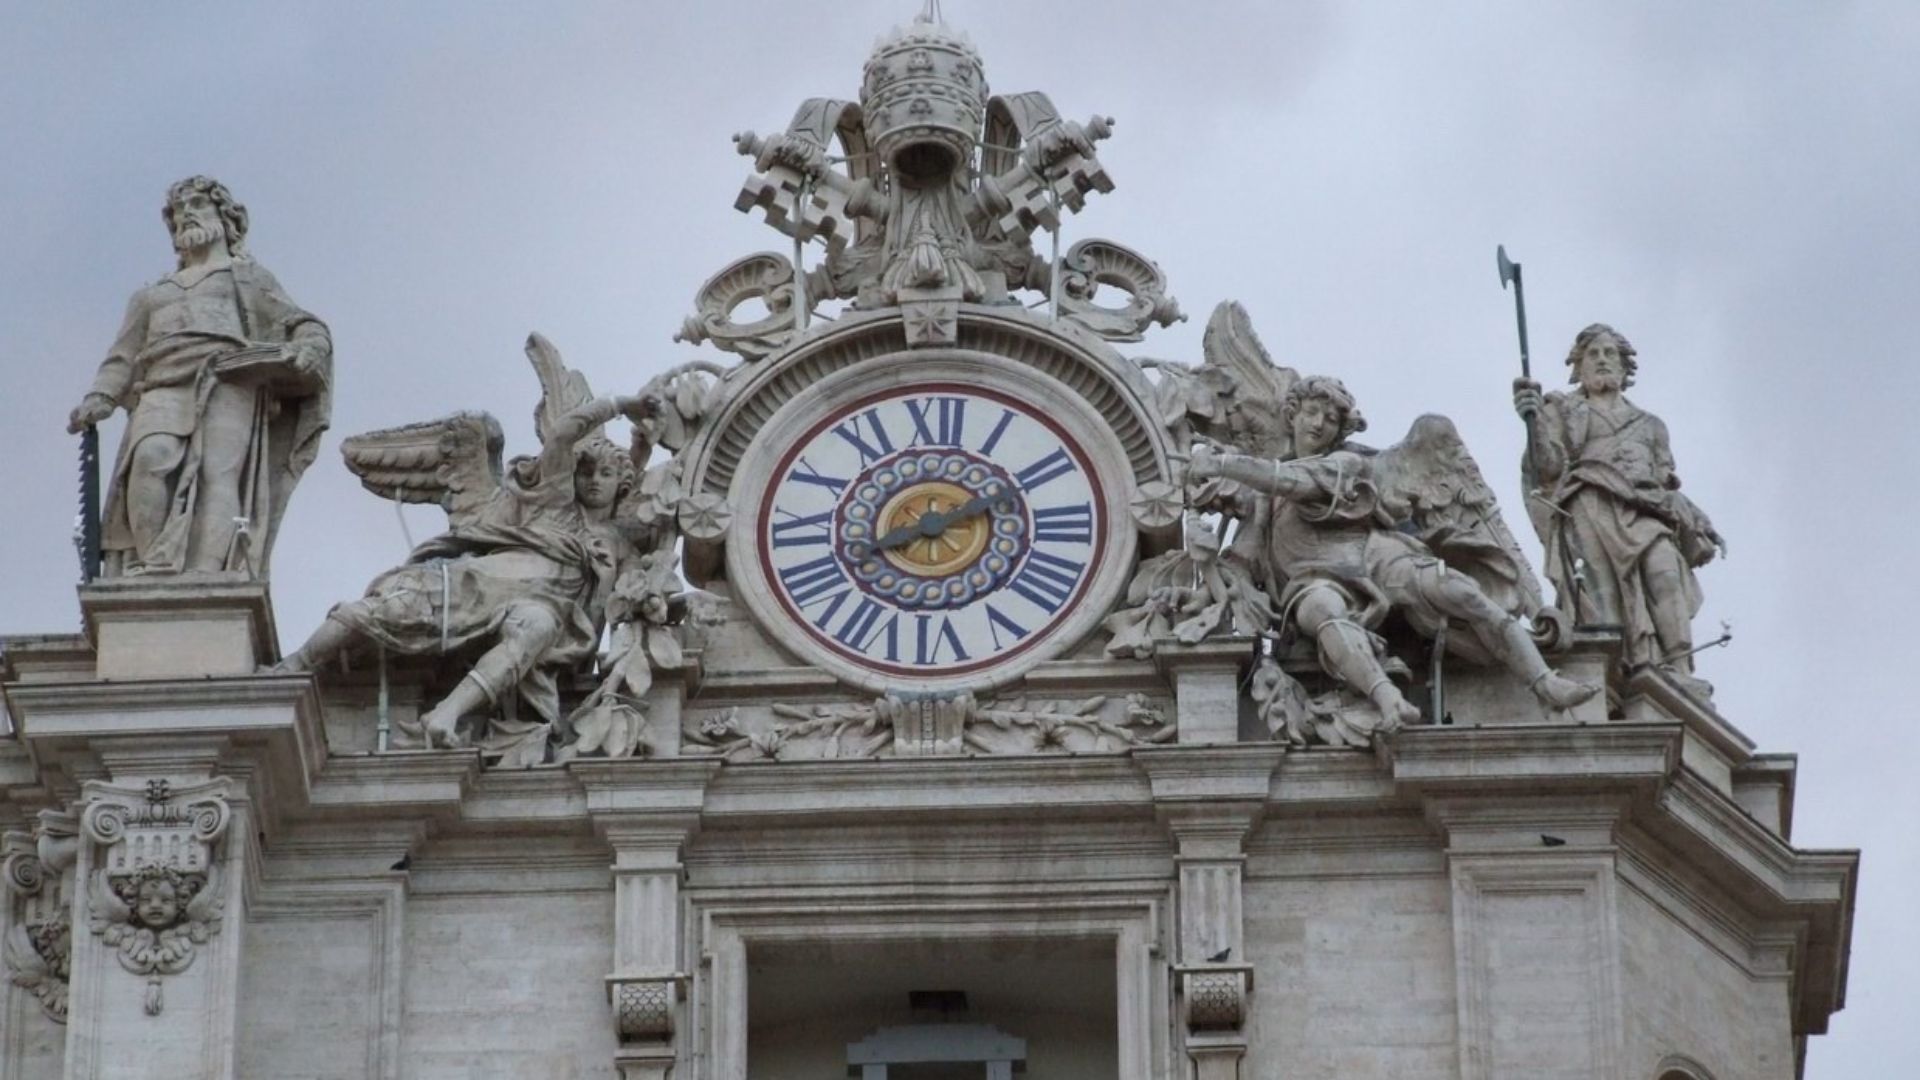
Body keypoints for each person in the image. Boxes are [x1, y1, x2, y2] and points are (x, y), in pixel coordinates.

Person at [1190, 375, 1597, 728]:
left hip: (1374, 555)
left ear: (1340, 432)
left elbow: (1291, 480)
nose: (1319, 424)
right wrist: (1207, 560)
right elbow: (1241, 562)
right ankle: (1389, 701)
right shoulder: (1261, 500)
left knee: (1461, 592)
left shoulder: (1345, 463)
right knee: (1322, 614)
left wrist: (1223, 464)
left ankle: (1544, 682)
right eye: (1312, 411)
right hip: (1312, 578)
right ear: (1292, 413)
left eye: (1331, 419)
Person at [271, 394, 655, 748]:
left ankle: (443, 716)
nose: (592, 481)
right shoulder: (554, 502)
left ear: (621, 484)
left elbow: (636, 591)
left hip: (542, 608)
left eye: (605, 474)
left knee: (536, 629)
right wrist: (619, 405)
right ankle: (294, 667)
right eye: (586, 472)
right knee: (378, 613)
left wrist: (643, 452)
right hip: (480, 583)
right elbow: (561, 437)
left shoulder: (618, 543)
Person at [66, 176, 332, 577]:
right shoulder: (151, 295)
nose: (186, 214)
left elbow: (302, 323)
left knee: (218, 474)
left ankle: (206, 574)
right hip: (161, 383)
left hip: (230, 377)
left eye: (197, 204)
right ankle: (156, 564)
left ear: (226, 218)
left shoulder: (248, 278)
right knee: (149, 459)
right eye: (178, 210)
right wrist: (101, 396)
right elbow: (122, 356)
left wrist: (310, 347)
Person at [1514, 325, 1723, 684]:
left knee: (1666, 575)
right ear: (1578, 367)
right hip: (1590, 507)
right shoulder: (1563, 410)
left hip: (1646, 511)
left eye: (1610, 353)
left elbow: (1665, 480)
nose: (1602, 360)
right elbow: (1547, 469)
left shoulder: (1651, 425)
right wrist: (1532, 422)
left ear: (1625, 368)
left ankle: (1680, 668)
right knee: (1601, 599)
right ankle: (1612, 683)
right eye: (1592, 354)